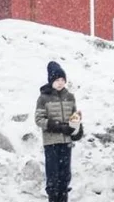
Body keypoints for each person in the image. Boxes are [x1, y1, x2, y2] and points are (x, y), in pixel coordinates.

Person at [35, 61, 84, 202]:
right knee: (53, 176)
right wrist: (57, 126)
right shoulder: (43, 98)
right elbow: (39, 119)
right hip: (51, 143)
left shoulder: (70, 97)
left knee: (65, 176)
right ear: (51, 81)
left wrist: (77, 129)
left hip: (66, 142)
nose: (60, 83)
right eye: (57, 80)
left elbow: (74, 117)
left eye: (62, 80)